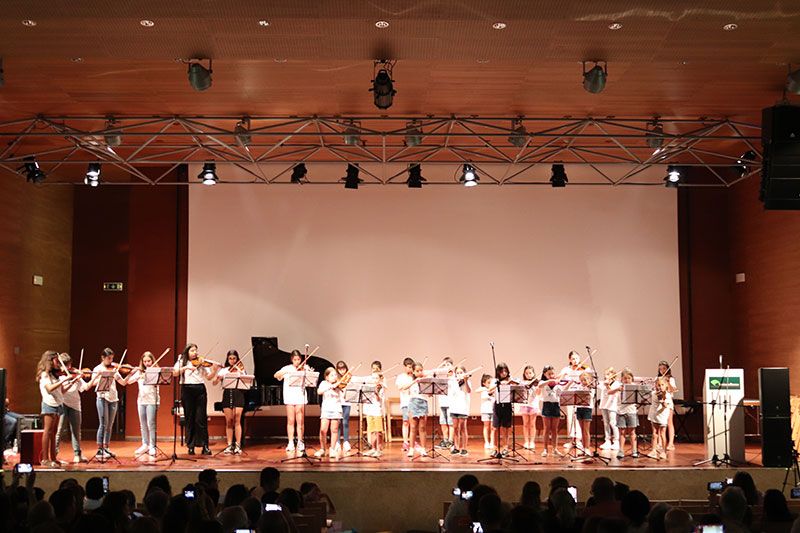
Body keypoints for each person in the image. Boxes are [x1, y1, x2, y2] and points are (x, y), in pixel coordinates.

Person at [173, 343, 220, 455]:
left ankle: (205, 446)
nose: (195, 353)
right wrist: (186, 367)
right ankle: (191, 446)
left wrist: (214, 371)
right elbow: (175, 373)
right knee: (189, 418)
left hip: (200, 389)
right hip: (186, 389)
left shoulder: (201, 362)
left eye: (196, 350)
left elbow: (209, 377)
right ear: (187, 352)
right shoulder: (181, 361)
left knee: (201, 418)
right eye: (192, 351)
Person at [89, 347, 128, 459]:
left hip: (113, 398)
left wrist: (130, 374)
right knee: (103, 424)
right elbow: (93, 383)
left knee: (109, 425)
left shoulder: (114, 369)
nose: (111, 361)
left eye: (112, 358)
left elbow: (123, 382)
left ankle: (106, 447)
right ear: (103, 358)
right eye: (109, 358)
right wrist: (101, 376)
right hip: (102, 398)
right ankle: (100, 449)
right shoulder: (97, 369)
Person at [123, 351, 160, 457]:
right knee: (142, 424)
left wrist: (148, 375)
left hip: (152, 400)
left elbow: (158, 385)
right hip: (141, 401)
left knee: (151, 424)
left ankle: (152, 446)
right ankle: (145, 444)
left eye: (149, 361)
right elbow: (128, 381)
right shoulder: (139, 372)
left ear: (152, 361)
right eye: (145, 361)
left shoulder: (155, 372)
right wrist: (134, 374)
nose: (147, 363)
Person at [274, 350, 311, 453]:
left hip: (300, 396)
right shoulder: (287, 368)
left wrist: (308, 371)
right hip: (289, 396)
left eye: (298, 359)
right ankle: (290, 442)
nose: (297, 362)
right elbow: (276, 375)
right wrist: (285, 372)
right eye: (295, 359)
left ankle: (300, 442)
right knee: (290, 420)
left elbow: (311, 380)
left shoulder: (304, 368)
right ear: (292, 360)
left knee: (300, 421)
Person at [56, 352, 91, 463]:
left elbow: (85, 387)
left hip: (75, 405)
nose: (69, 368)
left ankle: (77, 454)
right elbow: (62, 391)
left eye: (69, 365)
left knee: (76, 431)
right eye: (66, 365)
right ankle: (53, 454)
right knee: (59, 430)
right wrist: (73, 380)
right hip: (62, 404)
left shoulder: (75, 375)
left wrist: (95, 379)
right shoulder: (59, 376)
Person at [213, 350, 247, 455]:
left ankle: (238, 445)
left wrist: (240, 371)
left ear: (237, 359)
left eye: (234, 358)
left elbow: (246, 381)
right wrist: (218, 377)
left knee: (237, 420)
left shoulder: (241, 370)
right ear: (227, 360)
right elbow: (214, 383)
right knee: (229, 421)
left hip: (238, 395)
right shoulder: (224, 371)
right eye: (230, 358)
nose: (232, 360)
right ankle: (229, 445)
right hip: (227, 395)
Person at [37, 350, 67, 467]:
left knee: (54, 432)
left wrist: (70, 380)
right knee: (47, 431)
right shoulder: (44, 374)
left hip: (58, 404)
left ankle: (53, 458)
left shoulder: (54, 374)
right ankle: (45, 459)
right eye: (56, 361)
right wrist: (63, 380)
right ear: (50, 360)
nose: (58, 363)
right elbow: (49, 388)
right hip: (49, 404)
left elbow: (60, 391)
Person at [315, 367, 344, 459]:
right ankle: (323, 449)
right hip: (326, 409)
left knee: (334, 430)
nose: (334, 377)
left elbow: (344, 395)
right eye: (332, 375)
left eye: (335, 375)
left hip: (336, 408)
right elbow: (319, 392)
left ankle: (332, 449)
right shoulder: (324, 383)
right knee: (323, 430)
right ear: (327, 377)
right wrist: (330, 386)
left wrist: (339, 386)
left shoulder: (339, 384)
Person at [401, 361, 428, 458]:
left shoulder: (425, 380)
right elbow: (404, 387)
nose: (420, 372)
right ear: (413, 371)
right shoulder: (410, 380)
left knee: (422, 428)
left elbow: (429, 393)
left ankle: (423, 449)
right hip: (413, 403)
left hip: (423, 403)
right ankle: (411, 449)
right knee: (413, 427)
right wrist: (415, 381)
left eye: (421, 370)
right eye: (417, 371)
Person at [559, 350, 585, 448]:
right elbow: (559, 379)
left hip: (580, 395)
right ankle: (572, 439)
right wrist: (564, 375)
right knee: (570, 416)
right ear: (569, 360)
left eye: (577, 358)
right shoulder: (566, 369)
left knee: (579, 417)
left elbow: (588, 379)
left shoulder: (583, 369)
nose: (575, 360)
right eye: (573, 359)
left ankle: (579, 440)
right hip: (569, 395)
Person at [491, 362, 515, 457]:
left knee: (506, 428)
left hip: (507, 405)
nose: (504, 373)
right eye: (502, 371)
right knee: (495, 428)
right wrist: (499, 384)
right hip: (497, 405)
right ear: (498, 372)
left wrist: (510, 383)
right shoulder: (495, 381)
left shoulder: (510, 380)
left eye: (505, 371)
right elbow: (489, 390)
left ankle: (505, 448)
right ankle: (495, 448)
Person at [538, 365, 562, 458]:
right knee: (547, 428)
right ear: (545, 374)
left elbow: (561, 393)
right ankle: (545, 449)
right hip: (547, 405)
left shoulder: (557, 383)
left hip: (555, 405)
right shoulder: (542, 382)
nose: (552, 375)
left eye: (553, 373)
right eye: (549, 374)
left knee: (554, 429)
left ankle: (555, 449)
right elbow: (540, 386)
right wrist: (549, 381)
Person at [363, 360, 386, 457]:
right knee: (371, 430)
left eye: (376, 378)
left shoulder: (381, 387)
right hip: (369, 409)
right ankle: (373, 448)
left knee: (378, 431)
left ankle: (379, 449)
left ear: (379, 378)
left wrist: (376, 392)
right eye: (373, 378)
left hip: (377, 410)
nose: (374, 380)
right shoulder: (369, 386)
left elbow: (379, 399)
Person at [616, 368, 639, 459]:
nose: (627, 380)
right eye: (625, 378)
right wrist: (618, 389)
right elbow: (609, 392)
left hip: (631, 412)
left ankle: (634, 450)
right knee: (622, 432)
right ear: (621, 379)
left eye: (629, 378)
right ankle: (621, 450)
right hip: (621, 412)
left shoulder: (634, 387)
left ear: (632, 378)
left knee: (632, 432)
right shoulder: (619, 387)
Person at [448, 365, 471, 456]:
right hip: (454, 407)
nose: (459, 374)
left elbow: (468, 391)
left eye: (461, 372)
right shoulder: (453, 382)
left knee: (463, 428)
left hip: (463, 408)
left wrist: (465, 381)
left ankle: (464, 448)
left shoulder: (467, 382)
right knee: (455, 428)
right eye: (457, 373)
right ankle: (456, 447)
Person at [647, 377, 672, 460]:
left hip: (662, 415)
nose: (660, 387)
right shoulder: (654, 393)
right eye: (658, 385)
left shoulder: (667, 395)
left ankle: (664, 452)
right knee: (654, 433)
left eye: (662, 385)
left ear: (666, 385)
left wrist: (663, 402)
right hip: (654, 414)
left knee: (662, 433)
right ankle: (653, 450)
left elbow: (666, 406)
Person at [395, 357, 416, 452]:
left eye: (411, 367)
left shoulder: (414, 377)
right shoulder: (401, 377)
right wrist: (411, 383)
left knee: (414, 423)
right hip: (405, 402)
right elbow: (401, 387)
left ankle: (412, 441)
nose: (410, 369)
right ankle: (405, 442)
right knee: (405, 422)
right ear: (405, 367)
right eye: (408, 367)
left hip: (414, 402)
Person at [656, 360, 678, 450]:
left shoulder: (671, 379)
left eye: (664, 368)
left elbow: (672, 390)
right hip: (660, 402)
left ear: (668, 369)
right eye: (660, 369)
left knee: (669, 422)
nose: (662, 371)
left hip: (668, 401)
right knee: (659, 423)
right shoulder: (658, 378)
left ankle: (671, 443)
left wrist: (667, 382)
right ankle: (659, 443)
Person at [518, 365, 540, 450]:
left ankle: (532, 441)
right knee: (526, 424)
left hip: (533, 405)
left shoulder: (536, 383)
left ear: (533, 373)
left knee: (532, 424)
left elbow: (538, 394)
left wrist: (537, 387)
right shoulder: (522, 382)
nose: (528, 375)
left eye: (530, 373)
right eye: (526, 373)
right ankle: (526, 441)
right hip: (524, 404)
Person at [599, 367, 621, 450]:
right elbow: (595, 385)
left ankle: (616, 441)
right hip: (604, 405)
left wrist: (607, 385)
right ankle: (607, 440)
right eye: (605, 374)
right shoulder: (603, 383)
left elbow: (610, 392)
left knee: (613, 423)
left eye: (608, 374)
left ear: (613, 375)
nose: (606, 376)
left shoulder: (616, 384)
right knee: (606, 423)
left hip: (612, 406)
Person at [436, 357, 455, 449]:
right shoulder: (441, 377)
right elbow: (435, 372)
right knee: (443, 422)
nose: (446, 366)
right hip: (442, 403)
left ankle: (450, 441)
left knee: (450, 423)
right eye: (445, 365)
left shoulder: (454, 378)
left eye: (448, 365)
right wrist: (441, 366)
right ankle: (445, 440)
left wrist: (452, 372)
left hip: (451, 403)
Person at [334, 361, 353, 453]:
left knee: (345, 422)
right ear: (337, 370)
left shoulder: (349, 377)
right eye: (340, 369)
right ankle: (337, 442)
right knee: (337, 422)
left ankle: (346, 442)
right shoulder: (335, 378)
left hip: (346, 402)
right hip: (338, 402)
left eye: (344, 369)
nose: (342, 371)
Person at [575, 371, 595, 454]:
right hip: (579, 408)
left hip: (587, 409)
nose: (583, 382)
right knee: (582, 430)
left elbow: (590, 396)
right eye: (582, 380)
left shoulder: (591, 388)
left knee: (586, 430)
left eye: (585, 380)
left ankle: (587, 448)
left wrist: (589, 387)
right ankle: (583, 448)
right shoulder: (579, 387)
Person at [476, 374, 495, 450]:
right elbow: (477, 390)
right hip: (485, 411)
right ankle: (486, 442)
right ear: (484, 383)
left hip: (493, 410)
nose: (490, 384)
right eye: (488, 382)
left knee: (493, 428)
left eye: (491, 382)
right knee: (486, 427)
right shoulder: (482, 389)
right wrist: (487, 389)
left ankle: (492, 442)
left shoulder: (494, 389)